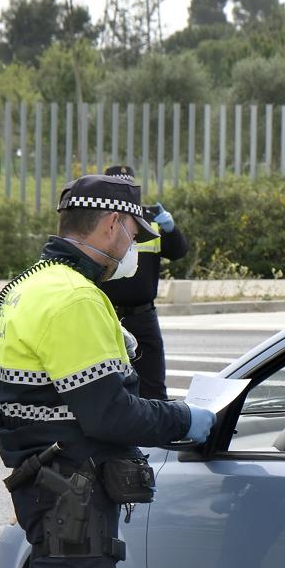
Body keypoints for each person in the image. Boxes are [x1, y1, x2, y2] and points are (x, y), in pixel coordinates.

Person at [0, 173, 216, 568]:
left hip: (44, 478)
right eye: (134, 231)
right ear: (112, 223)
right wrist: (189, 419)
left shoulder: (26, 286)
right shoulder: (76, 298)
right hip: (75, 487)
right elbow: (109, 413)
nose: (135, 243)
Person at [97, 164, 189, 400]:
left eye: (127, 185)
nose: (123, 191)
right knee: (107, 386)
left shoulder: (149, 222)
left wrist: (170, 228)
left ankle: (155, 437)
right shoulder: (96, 222)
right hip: (106, 315)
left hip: (143, 317)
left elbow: (177, 251)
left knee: (153, 389)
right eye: (117, 186)